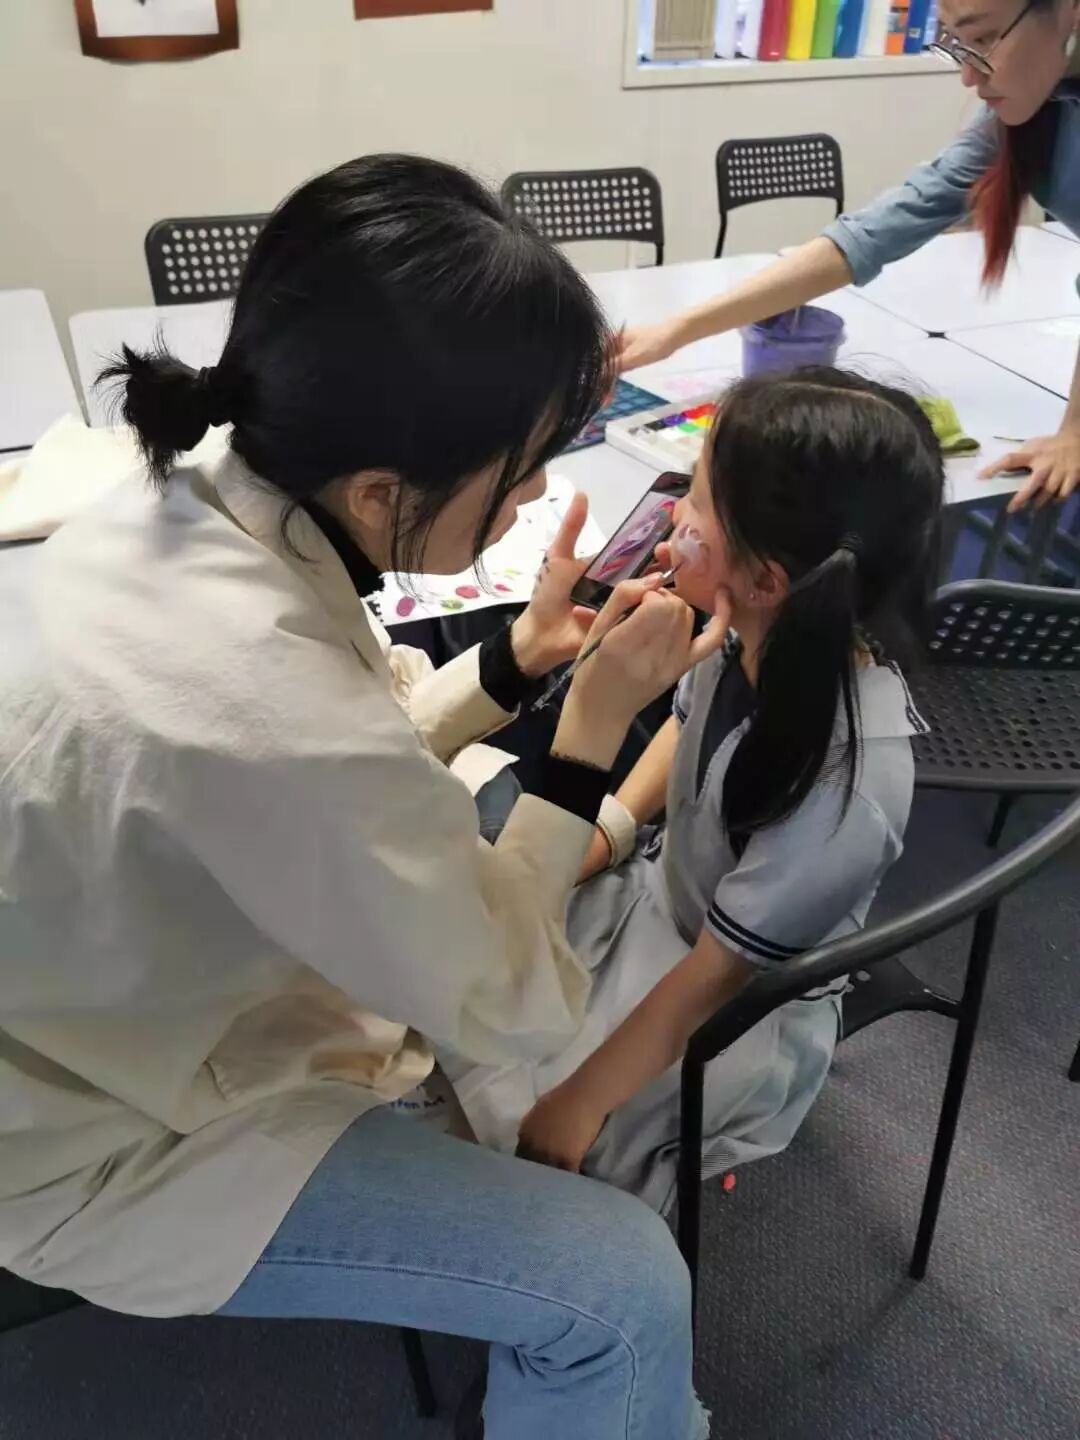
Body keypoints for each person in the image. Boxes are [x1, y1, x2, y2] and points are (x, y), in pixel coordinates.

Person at [0, 156, 729, 1440]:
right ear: (384, 493)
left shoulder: (182, 484)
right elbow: (506, 996)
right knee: (620, 1289)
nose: (531, 501)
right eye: (518, 473)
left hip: (105, 991)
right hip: (91, 1139)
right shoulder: (261, 700)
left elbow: (329, 745)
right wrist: (592, 735)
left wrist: (510, 664)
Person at [446, 369, 944, 1212]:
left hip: (725, 1003)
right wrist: (607, 828)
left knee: (542, 1130)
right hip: (657, 901)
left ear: (766, 580)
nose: (673, 514)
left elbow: (716, 977)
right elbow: (686, 728)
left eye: (699, 506)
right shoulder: (744, 632)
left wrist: (583, 1101)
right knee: (474, 977)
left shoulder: (849, 789)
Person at [617, 0, 1080, 513]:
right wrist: (677, 330)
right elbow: (872, 233)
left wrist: (1075, 432)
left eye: (986, 39)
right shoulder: (1031, 108)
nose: (969, 76)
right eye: (956, 43)